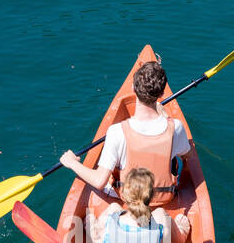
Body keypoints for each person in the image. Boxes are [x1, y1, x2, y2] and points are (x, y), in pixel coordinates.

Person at [59, 60, 190, 200]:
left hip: (127, 199)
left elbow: (99, 181)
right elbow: (187, 155)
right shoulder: (175, 127)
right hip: (163, 198)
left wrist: (72, 163)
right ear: (162, 93)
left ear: (133, 88)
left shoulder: (116, 132)